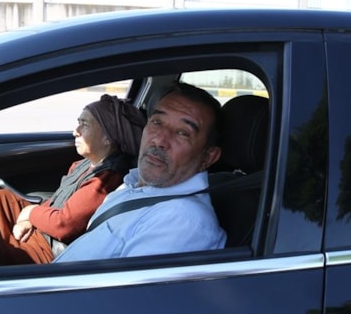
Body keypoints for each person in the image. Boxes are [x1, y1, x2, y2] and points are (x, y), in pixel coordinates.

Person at [54, 82, 227, 262]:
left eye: (182, 133)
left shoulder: (182, 221)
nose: (159, 140)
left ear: (208, 157)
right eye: (157, 122)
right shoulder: (133, 184)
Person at [0, 94, 146, 265]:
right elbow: (58, 200)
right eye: (79, 122)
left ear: (107, 138)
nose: (75, 131)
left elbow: (64, 225)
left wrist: (30, 213)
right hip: (45, 230)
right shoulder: (84, 165)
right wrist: (27, 220)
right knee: (1, 199)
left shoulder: (107, 179)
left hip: (50, 250)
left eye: (85, 124)